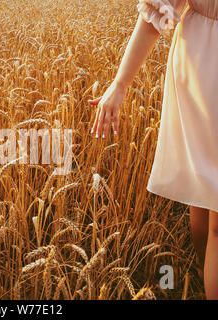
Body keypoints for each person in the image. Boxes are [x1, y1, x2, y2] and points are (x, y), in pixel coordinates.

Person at [88, 0, 218, 300]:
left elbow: (159, 13)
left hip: (196, 63)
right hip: (201, 62)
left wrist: (121, 84)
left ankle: (203, 273)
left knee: (204, 189)